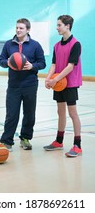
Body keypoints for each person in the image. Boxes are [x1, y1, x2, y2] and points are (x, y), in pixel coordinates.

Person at [0, 18, 46, 151]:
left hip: (30, 85)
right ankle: (7, 141)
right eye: (17, 28)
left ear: (28, 30)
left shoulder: (35, 45)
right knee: (12, 113)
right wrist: (7, 62)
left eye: (21, 28)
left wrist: (32, 66)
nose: (18, 30)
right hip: (14, 85)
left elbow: (42, 63)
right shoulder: (9, 44)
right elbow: (1, 60)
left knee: (29, 113)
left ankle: (25, 138)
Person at [44, 15, 82, 157]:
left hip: (70, 83)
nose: (57, 27)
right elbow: (54, 64)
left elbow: (70, 66)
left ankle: (77, 145)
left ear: (67, 26)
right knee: (60, 112)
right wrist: (48, 78)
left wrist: (56, 79)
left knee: (73, 113)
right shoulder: (56, 45)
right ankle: (59, 141)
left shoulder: (76, 44)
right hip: (58, 84)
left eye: (59, 25)